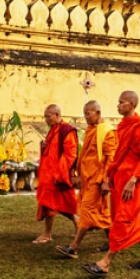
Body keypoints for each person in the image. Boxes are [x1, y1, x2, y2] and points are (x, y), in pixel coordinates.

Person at [82, 91, 140, 277]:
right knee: (133, 216)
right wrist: (111, 176)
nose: (118, 105)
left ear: (132, 104)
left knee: (124, 218)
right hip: (122, 178)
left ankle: (105, 262)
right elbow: (121, 155)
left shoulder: (139, 127)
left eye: (122, 103)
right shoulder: (123, 126)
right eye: (118, 102)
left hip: (134, 180)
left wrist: (133, 180)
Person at [56, 100, 117, 259]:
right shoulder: (91, 130)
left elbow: (110, 158)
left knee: (87, 211)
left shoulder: (107, 131)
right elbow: (85, 155)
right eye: (84, 114)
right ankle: (113, 241)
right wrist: (77, 173)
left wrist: (106, 180)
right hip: (87, 178)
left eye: (88, 114)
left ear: (97, 112)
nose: (85, 117)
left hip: (98, 179)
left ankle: (74, 247)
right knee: (101, 213)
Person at [33, 104, 79, 244]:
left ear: (58, 115)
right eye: (45, 117)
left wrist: (60, 174)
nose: (46, 120)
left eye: (49, 116)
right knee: (51, 203)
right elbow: (52, 151)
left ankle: (48, 234)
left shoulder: (67, 130)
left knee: (57, 203)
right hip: (48, 174)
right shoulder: (54, 130)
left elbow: (70, 154)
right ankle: (76, 223)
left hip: (58, 174)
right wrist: (44, 147)